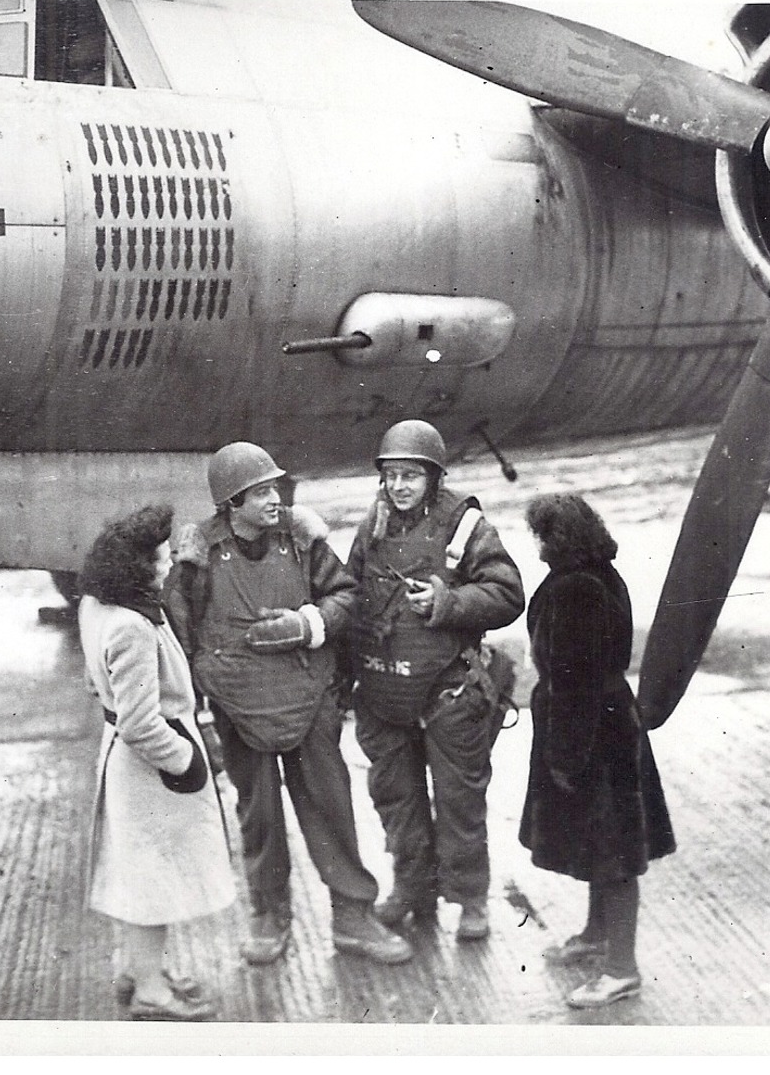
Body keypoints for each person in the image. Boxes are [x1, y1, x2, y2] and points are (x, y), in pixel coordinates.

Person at [164, 442, 412, 966]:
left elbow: (346, 596)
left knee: (331, 806)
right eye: (261, 492)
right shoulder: (198, 557)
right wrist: (200, 707)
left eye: (275, 488)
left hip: (308, 696)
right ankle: (268, 913)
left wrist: (308, 624)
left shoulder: (303, 540)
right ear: (232, 503)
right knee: (259, 815)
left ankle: (352, 915)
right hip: (237, 705)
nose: (275, 498)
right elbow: (179, 632)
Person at [345, 419, 525, 942]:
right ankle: (411, 888)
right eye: (391, 476)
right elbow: (347, 595)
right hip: (384, 694)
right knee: (396, 800)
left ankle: (470, 897)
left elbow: (507, 593)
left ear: (434, 478)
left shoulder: (465, 526)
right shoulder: (370, 529)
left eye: (411, 476)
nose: (399, 487)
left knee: (460, 802)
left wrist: (449, 603)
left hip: (450, 692)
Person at [78, 504, 238, 1021]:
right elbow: (142, 723)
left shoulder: (96, 606)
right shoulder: (133, 626)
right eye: (162, 559)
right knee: (154, 882)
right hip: (152, 769)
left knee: (140, 872)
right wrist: (186, 761)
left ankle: (140, 969)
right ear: (137, 567)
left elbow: (93, 681)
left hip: (123, 762)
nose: (168, 565)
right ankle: (150, 992)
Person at [519, 493, 676, 1009]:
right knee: (601, 841)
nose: (537, 544)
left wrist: (565, 757)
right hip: (611, 723)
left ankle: (621, 969)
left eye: (542, 534)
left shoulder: (576, 590)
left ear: (558, 538)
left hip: (590, 733)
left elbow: (573, 682)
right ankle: (596, 933)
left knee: (614, 853)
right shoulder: (601, 575)